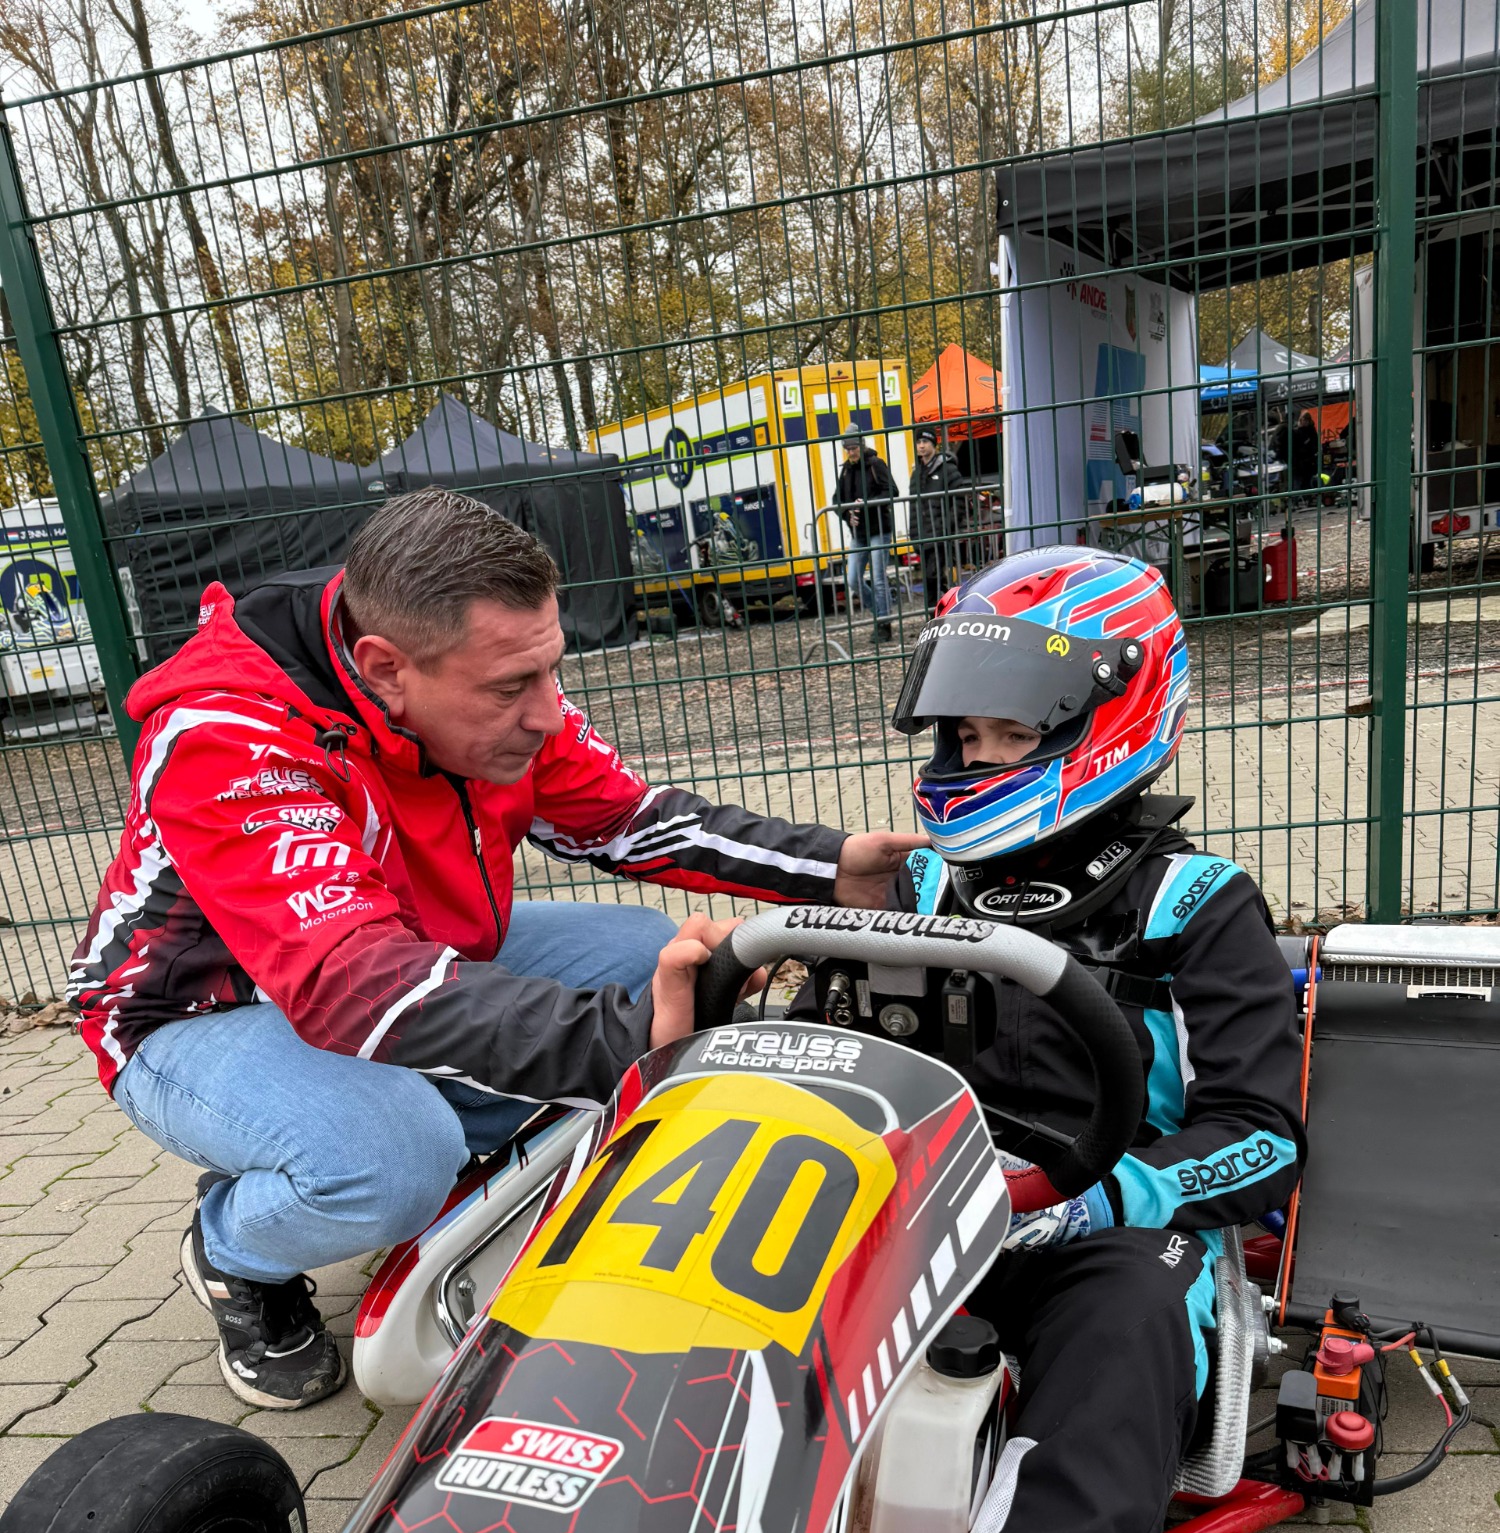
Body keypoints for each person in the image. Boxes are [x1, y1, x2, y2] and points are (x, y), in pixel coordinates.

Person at [69, 488, 922, 1412]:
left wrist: (830, 869)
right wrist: (624, 1043)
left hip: (398, 947)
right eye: (513, 687)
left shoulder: (475, 672)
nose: (548, 714)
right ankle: (235, 1246)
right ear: (384, 669)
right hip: (194, 1017)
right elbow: (355, 985)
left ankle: (387, 1142)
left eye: (551, 670)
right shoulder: (228, 737)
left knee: (644, 956)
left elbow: (624, 819)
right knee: (394, 1157)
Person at [785, 547, 1306, 1533]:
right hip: (925, 1211)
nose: (970, 754)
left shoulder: (1194, 903)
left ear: (1111, 715)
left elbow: (1264, 1134)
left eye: (1007, 727)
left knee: (1129, 1325)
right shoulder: (928, 881)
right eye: (959, 727)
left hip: (1108, 1235)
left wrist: (1101, 1198)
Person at [835, 424, 898, 640]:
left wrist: (867, 504)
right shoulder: (845, 470)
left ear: (862, 445)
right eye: (847, 449)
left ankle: (884, 624)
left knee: (878, 578)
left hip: (879, 528)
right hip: (858, 533)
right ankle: (881, 614)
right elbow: (837, 500)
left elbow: (892, 491)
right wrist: (847, 514)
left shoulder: (875, 464)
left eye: (853, 448)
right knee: (853, 579)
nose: (851, 452)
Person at [907, 425, 968, 611]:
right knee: (931, 579)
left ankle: (938, 614)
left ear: (934, 444)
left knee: (933, 576)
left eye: (925, 441)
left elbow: (959, 500)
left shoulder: (947, 469)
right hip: (923, 535)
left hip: (940, 535)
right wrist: (914, 534)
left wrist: (945, 527)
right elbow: (914, 507)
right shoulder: (917, 473)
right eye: (919, 442)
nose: (921, 445)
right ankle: (940, 612)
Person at [1292, 408, 1321, 498]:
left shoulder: (1310, 431)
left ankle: (1305, 497)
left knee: (1306, 481)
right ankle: (1301, 498)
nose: (1303, 422)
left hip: (1307, 461)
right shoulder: (1298, 432)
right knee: (1300, 482)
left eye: (1304, 420)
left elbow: (1315, 445)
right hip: (1301, 462)